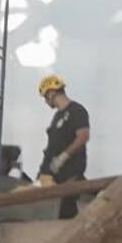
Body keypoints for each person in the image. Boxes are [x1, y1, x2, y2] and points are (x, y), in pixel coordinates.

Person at [37, 75, 90, 219]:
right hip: (56, 177)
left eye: (45, 97)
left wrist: (63, 157)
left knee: (66, 213)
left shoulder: (77, 111)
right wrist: (43, 171)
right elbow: (52, 146)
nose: (45, 102)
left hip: (70, 175)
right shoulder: (57, 117)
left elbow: (83, 136)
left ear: (51, 93)